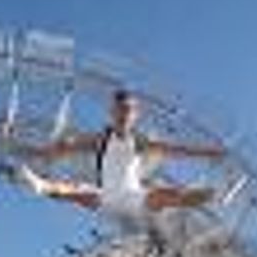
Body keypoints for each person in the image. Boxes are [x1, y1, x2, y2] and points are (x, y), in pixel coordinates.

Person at [14, 88, 225, 223]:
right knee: (70, 189)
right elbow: (67, 146)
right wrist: (38, 152)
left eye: (128, 111)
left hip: (134, 198)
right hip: (107, 198)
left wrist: (207, 153)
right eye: (120, 110)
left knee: (169, 194)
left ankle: (213, 196)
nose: (123, 115)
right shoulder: (100, 139)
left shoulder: (139, 142)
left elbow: (174, 150)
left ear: (135, 116)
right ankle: (40, 185)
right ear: (112, 113)